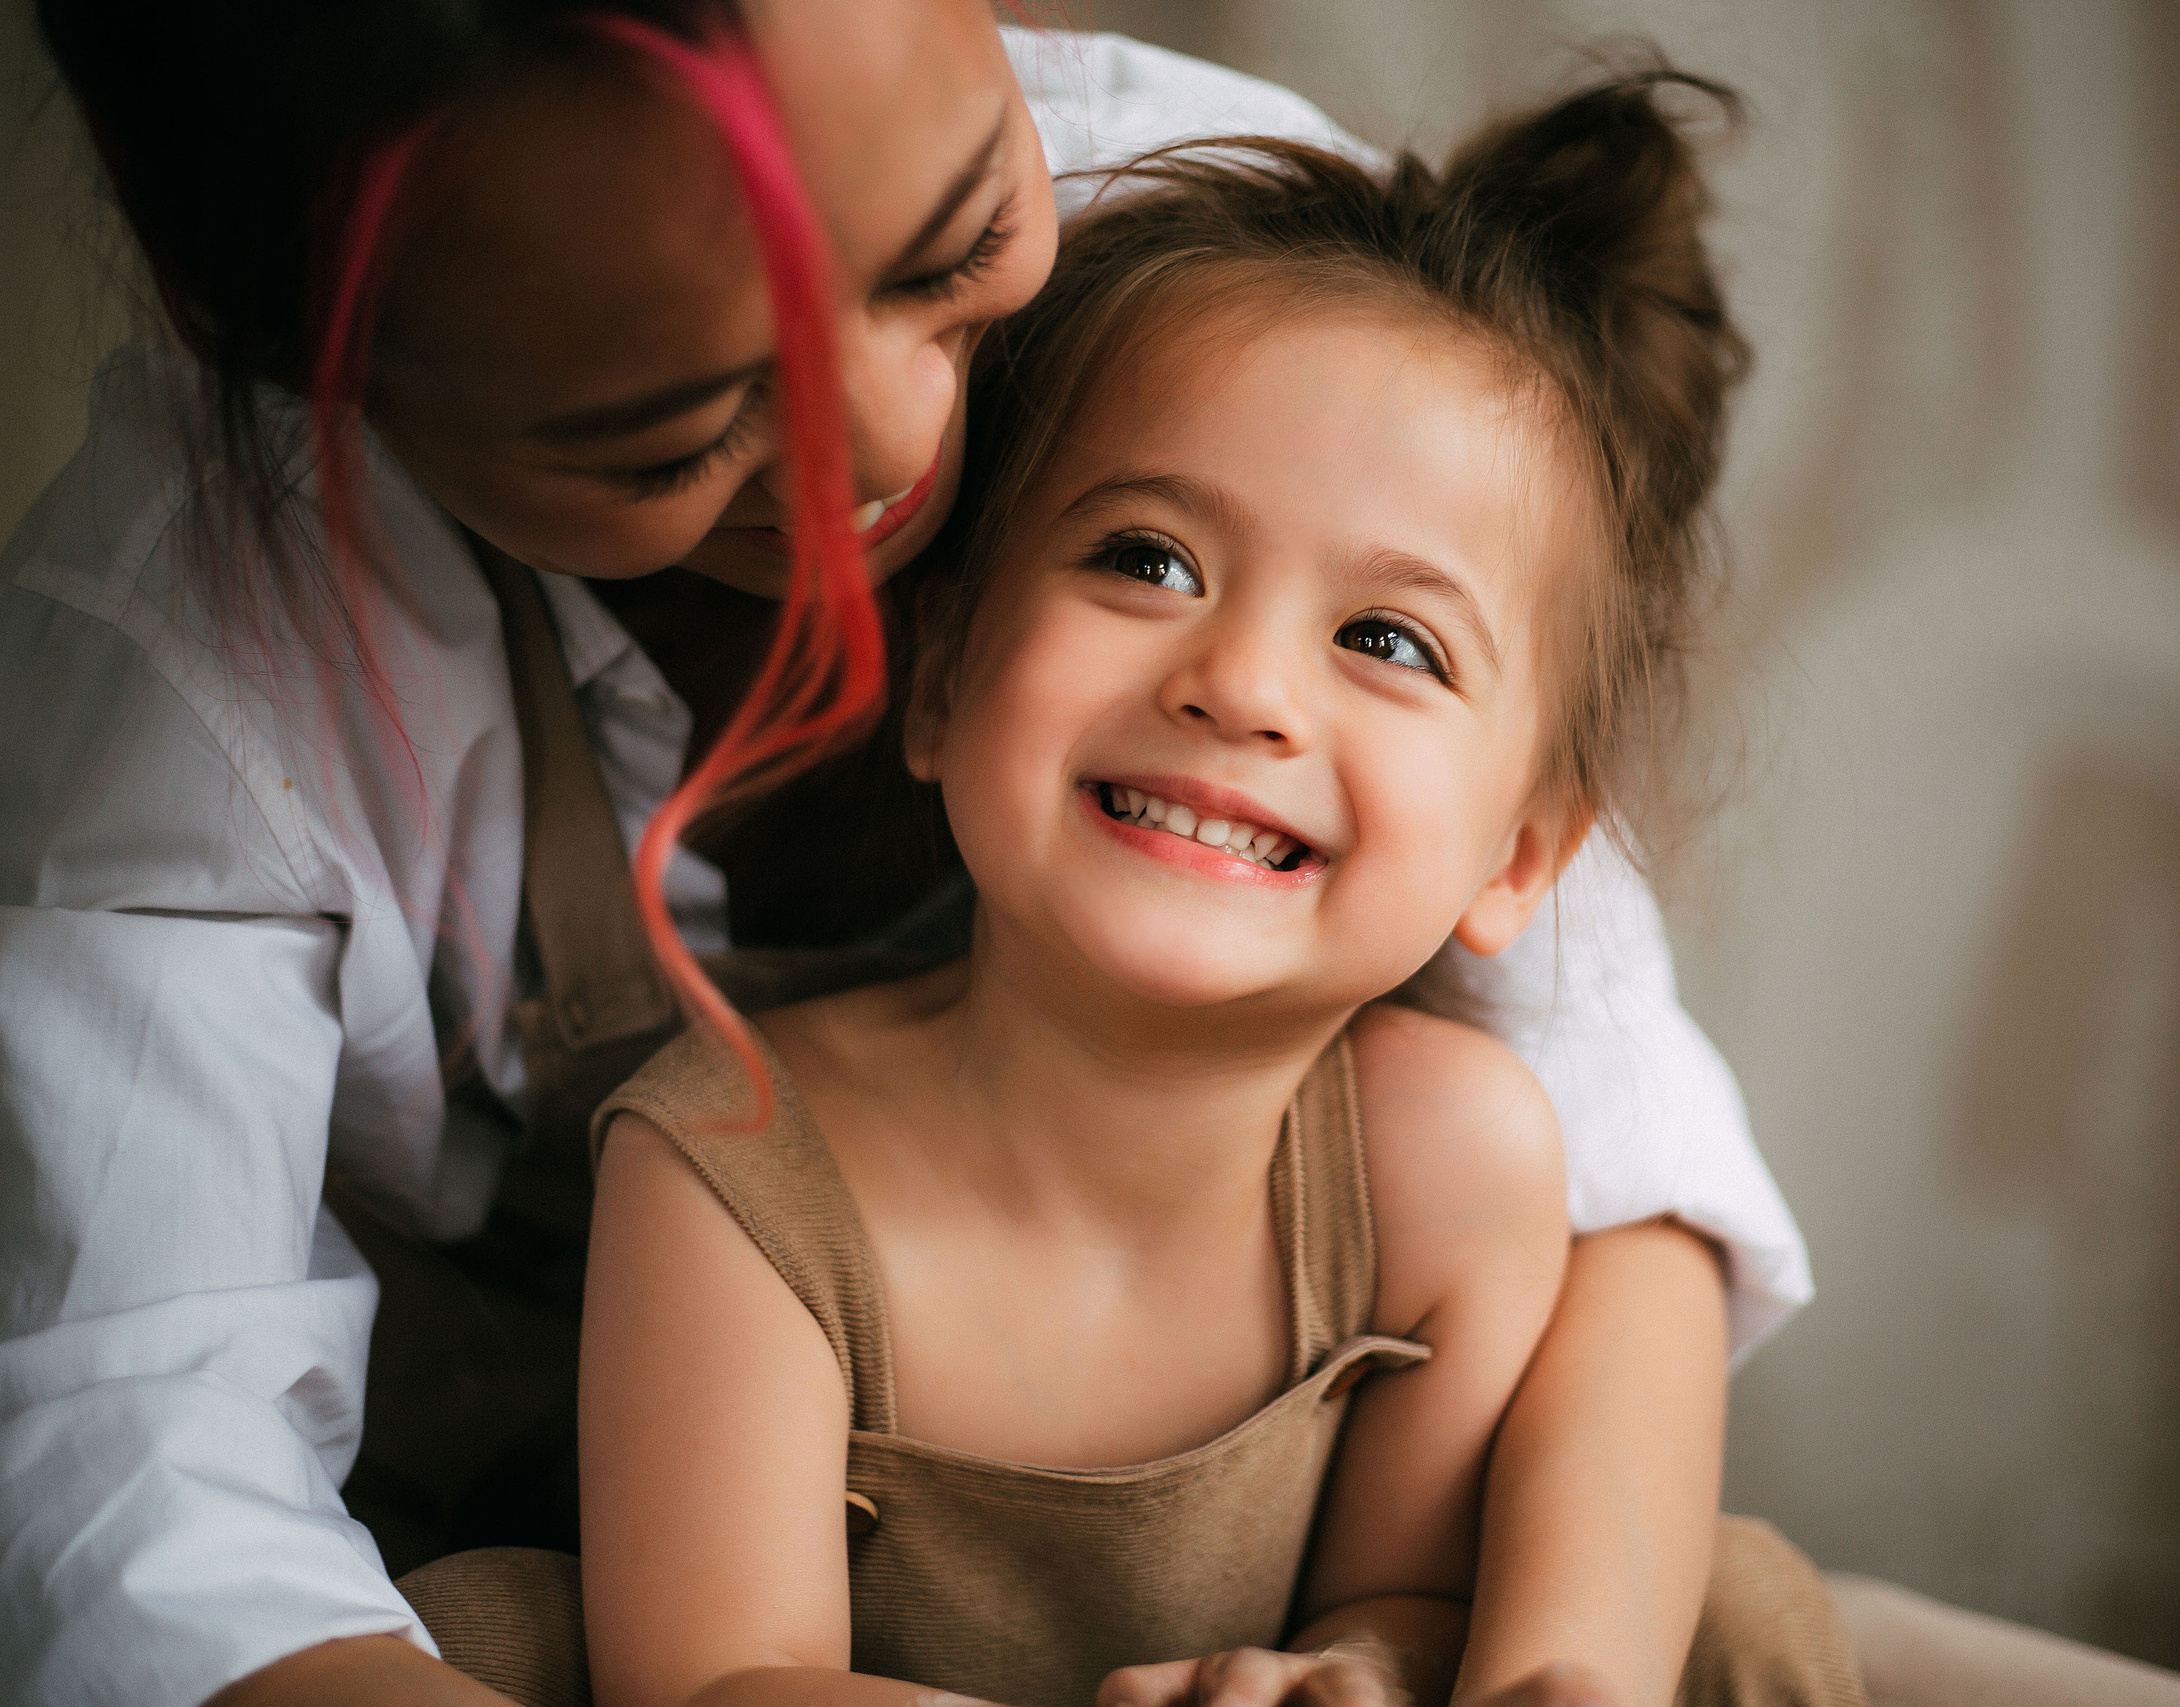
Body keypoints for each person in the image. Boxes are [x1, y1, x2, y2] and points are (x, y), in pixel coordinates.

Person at [0, 5, 1811, 1705]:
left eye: (949, 255)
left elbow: (1620, 1186)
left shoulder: (1269, 291)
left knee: (1736, 1611)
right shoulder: (201, 653)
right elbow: (143, 1459)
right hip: (602, 1519)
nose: (898, 452)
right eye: (672, 422)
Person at [536, 70, 1843, 1707]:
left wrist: (1351, 1676)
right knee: (493, 1636)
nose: (1243, 684)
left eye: (1389, 641)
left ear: (1518, 860)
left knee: (1740, 1612)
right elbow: (720, 1681)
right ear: (936, 678)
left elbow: (1403, 1597)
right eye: (1146, 559)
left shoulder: (1449, 1167)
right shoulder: (730, 1161)